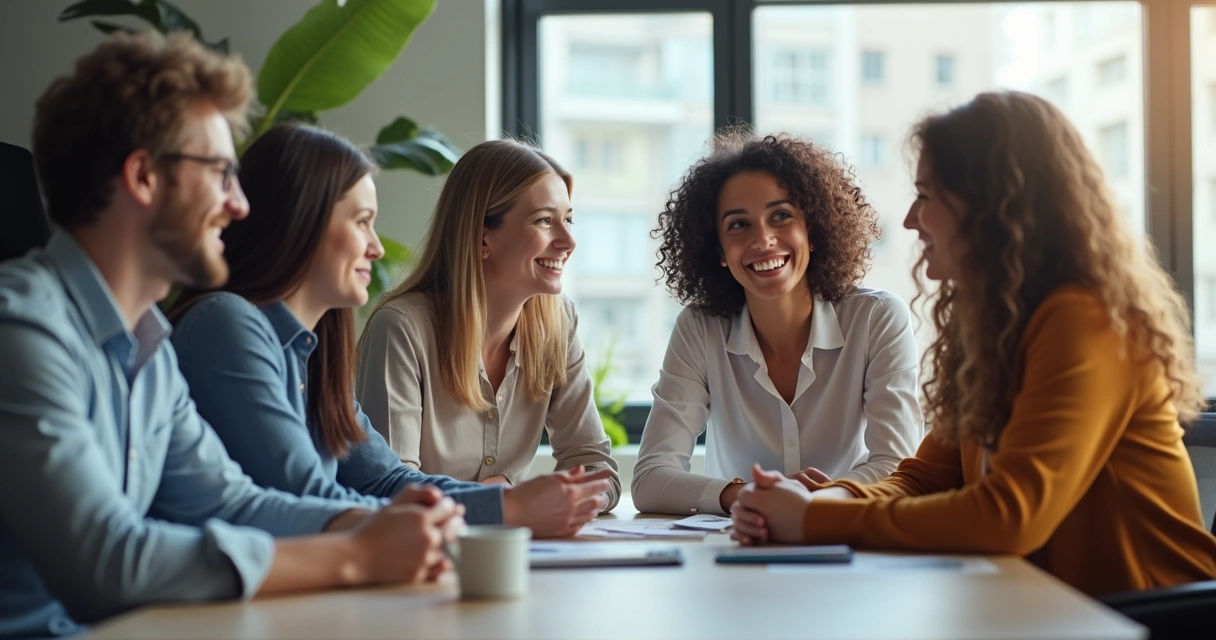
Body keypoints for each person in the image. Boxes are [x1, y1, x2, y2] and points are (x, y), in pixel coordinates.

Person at [0, 32, 462, 639]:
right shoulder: (22, 330)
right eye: (221, 173)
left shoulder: (151, 351)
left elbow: (231, 502)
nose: (239, 204)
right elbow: (105, 562)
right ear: (143, 177)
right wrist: (355, 554)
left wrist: (364, 522)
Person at [730, 91, 1216, 597]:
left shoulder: (1085, 321)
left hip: (1152, 619)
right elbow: (926, 477)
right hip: (1051, 611)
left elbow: (1010, 517)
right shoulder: (994, 327)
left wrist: (812, 522)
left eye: (926, 196)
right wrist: (824, 501)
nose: (910, 221)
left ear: (991, 205)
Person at [169, 123, 613, 538]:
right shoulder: (225, 325)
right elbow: (307, 498)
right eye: (362, 222)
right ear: (303, 224)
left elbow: (383, 479)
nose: (377, 247)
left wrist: (508, 501)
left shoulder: (312, 349)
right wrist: (505, 509)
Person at [632, 130, 923, 516]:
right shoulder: (699, 329)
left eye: (781, 216)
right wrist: (749, 498)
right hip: (735, 550)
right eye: (739, 225)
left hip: (846, 541)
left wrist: (810, 506)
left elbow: (898, 467)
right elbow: (651, 479)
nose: (764, 239)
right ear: (719, 249)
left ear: (813, 230)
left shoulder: (877, 319)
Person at [356, 139, 621, 512]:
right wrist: (503, 500)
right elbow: (392, 487)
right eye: (545, 221)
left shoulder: (559, 322)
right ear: (482, 237)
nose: (568, 241)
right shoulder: (402, 329)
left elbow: (596, 467)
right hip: (425, 554)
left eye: (568, 219)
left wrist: (563, 498)